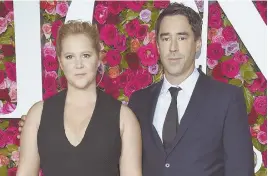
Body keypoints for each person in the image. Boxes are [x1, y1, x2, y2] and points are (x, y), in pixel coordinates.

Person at [18, 2, 255, 176]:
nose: (173, 47)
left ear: (198, 44)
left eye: (181, 38)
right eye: (165, 38)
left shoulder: (226, 99)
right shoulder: (139, 102)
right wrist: (36, 125)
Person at [16, 20, 142, 176]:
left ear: (98, 58)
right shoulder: (37, 115)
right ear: (61, 62)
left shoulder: (124, 118)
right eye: (70, 57)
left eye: (86, 55)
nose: (78, 64)